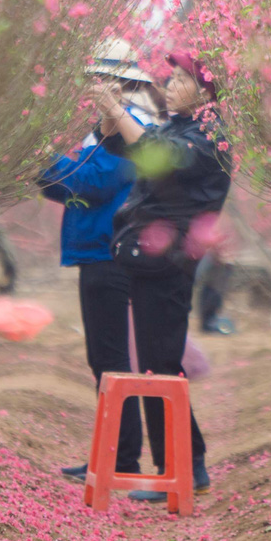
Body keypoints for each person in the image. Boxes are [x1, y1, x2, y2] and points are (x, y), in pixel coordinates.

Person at [98, 51, 232, 502]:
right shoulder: (179, 126)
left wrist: (120, 111)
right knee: (159, 364)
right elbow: (133, 145)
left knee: (160, 365)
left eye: (180, 79)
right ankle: (187, 463)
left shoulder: (210, 136)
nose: (169, 84)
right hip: (149, 259)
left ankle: (180, 466)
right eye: (171, 77)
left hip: (170, 264)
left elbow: (158, 155)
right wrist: (111, 116)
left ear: (206, 91)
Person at [38, 39, 161, 483]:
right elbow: (70, 186)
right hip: (95, 254)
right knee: (103, 359)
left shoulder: (133, 136)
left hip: (110, 256)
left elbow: (87, 183)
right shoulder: (105, 134)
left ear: (122, 85)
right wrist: (44, 170)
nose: (94, 90)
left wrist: (39, 157)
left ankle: (120, 459)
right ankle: (116, 455)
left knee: (110, 360)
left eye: (102, 82)